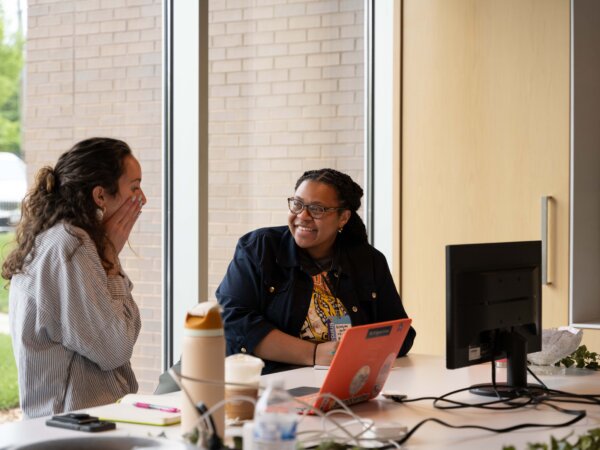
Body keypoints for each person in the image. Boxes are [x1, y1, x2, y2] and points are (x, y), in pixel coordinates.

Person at [216, 168, 416, 374]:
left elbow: (401, 334)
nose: (303, 215)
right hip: (263, 381)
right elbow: (232, 321)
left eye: (317, 209)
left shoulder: (368, 261)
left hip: (340, 378)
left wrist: (356, 357)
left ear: (343, 218)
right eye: (297, 204)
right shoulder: (260, 248)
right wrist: (313, 354)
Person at [1, 137, 146, 419]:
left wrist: (108, 258)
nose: (142, 199)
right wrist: (110, 260)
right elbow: (116, 348)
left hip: (82, 425)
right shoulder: (70, 247)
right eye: (135, 187)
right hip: (73, 431)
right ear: (100, 196)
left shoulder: (69, 242)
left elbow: (127, 331)